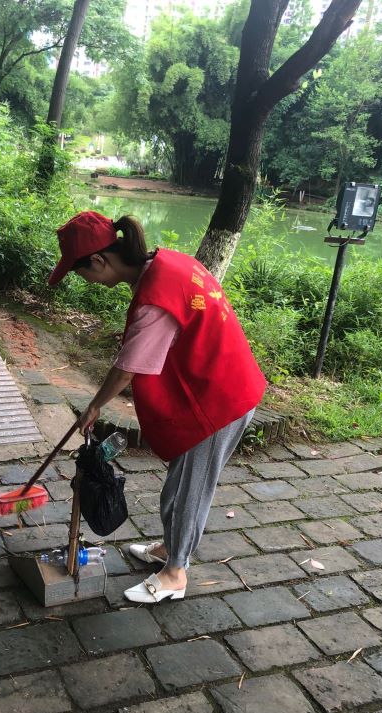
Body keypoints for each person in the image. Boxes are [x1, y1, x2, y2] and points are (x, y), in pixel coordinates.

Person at [48, 211, 266, 604]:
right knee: (180, 487)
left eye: (82, 274)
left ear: (98, 261)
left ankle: (175, 573)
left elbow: (128, 368)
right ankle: (171, 549)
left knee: (186, 493)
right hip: (216, 383)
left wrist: (94, 406)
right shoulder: (168, 264)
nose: (87, 282)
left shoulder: (156, 299)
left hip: (218, 401)